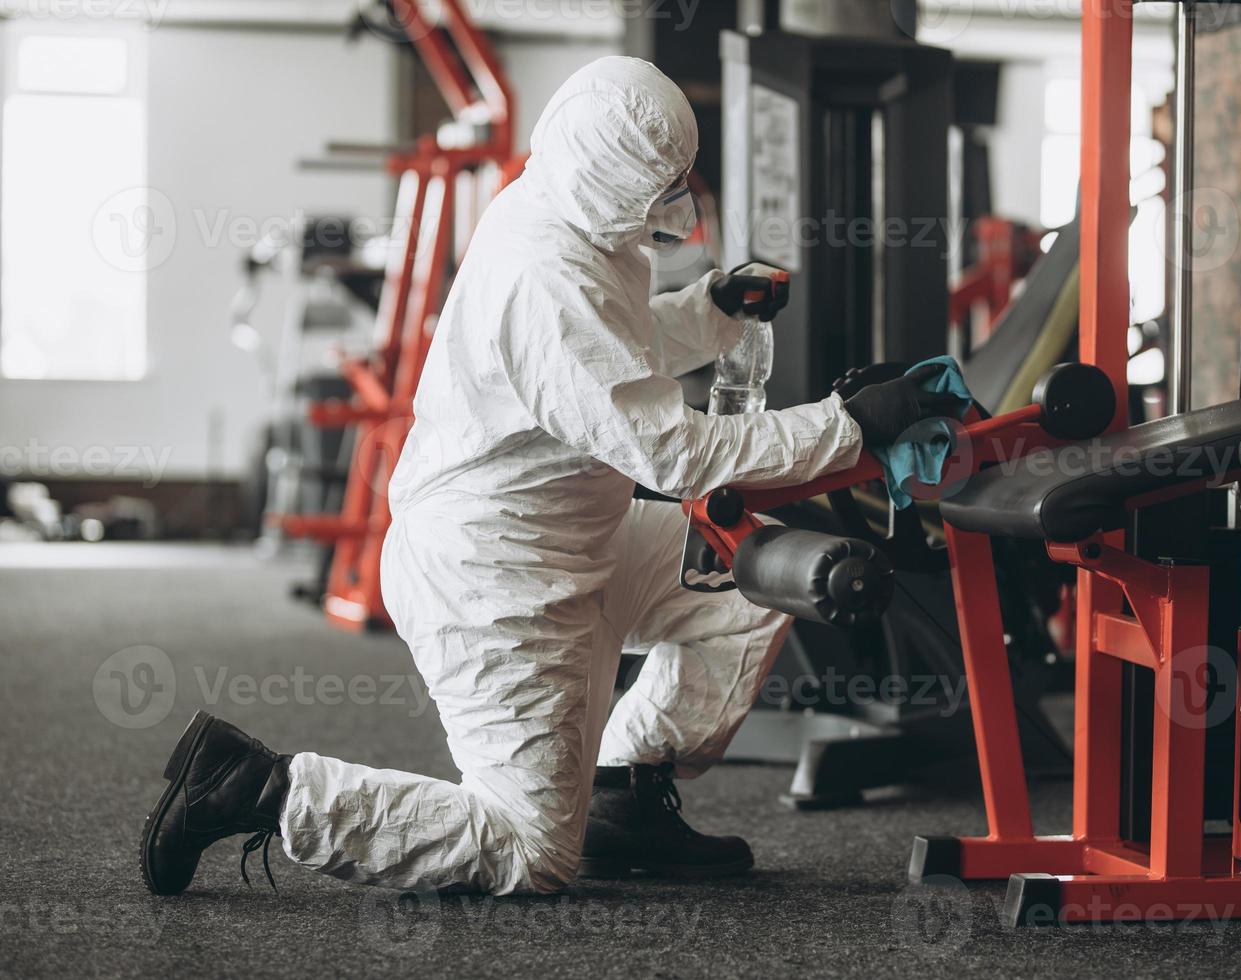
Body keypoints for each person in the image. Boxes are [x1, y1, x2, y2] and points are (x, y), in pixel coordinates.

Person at [139, 56, 961, 897]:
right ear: (611, 178)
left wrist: (713, 311)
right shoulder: (546, 275)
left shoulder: (570, 210)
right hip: (495, 576)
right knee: (529, 853)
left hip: (577, 529)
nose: (676, 205)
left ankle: (622, 794)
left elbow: (616, 348)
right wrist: (848, 426)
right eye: (661, 191)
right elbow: (674, 455)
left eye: (679, 181)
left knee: (750, 580)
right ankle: (263, 790)